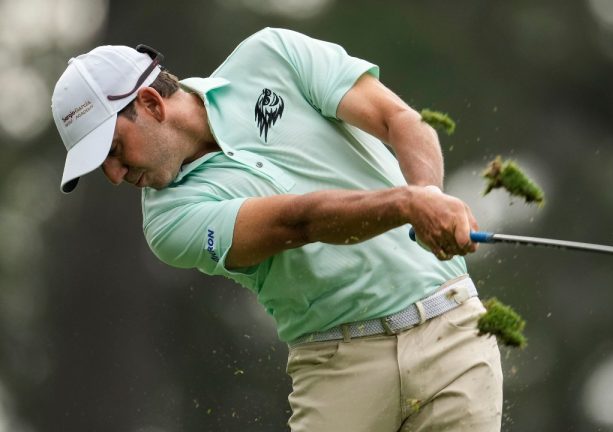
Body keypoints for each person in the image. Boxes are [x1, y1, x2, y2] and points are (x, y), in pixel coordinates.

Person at [51, 28, 503, 431]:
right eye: (101, 167)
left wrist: (428, 196)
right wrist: (408, 203)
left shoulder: (272, 56)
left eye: (113, 150)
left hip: (452, 334)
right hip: (337, 370)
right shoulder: (167, 222)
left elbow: (398, 119)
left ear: (150, 104)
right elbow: (298, 221)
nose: (113, 175)